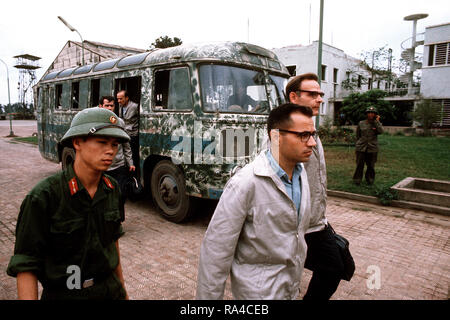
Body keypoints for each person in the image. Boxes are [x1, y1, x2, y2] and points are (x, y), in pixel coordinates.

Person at [6, 107, 129, 300]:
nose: (110, 151)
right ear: (77, 142)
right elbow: (26, 265)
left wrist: (123, 292)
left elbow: (113, 245)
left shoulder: (111, 188)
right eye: (102, 142)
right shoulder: (44, 196)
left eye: (115, 144)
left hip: (108, 292)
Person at [196, 103, 316, 300]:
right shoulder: (246, 183)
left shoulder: (301, 175)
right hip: (258, 294)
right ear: (276, 136)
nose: (311, 142)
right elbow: (215, 252)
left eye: (313, 134)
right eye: (303, 135)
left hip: (290, 289)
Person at [286, 72, 344, 300]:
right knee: (333, 267)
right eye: (312, 94)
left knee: (337, 265)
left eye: (320, 94)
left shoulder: (311, 130)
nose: (320, 98)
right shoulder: (282, 133)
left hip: (316, 221)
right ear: (293, 97)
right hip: (298, 224)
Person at [99, 96, 136, 206]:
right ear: (101, 106)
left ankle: (118, 219)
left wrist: (130, 163)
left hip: (118, 165)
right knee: (102, 195)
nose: (110, 108)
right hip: (101, 166)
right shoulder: (95, 123)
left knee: (120, 194)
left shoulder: (120, 122)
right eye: (107, 105)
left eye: (112, 105)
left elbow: (126, 144)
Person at [353, 106, 384, 185]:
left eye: (372, 113)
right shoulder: (361, 123)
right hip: (361, 147)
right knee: (359, 164)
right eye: (369, 113)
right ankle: (357, 180)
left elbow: (381, 131)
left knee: (371, 165)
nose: (370, 114)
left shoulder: (377, 124)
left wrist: (377, 121)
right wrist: (357, 144)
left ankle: (370, 180)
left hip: (372, 148)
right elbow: (358, 135)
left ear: (375, 115)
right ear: (366, 114)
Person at [117, 90, 139, 178]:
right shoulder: (120, 106)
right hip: (124, 134)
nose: (118, 101)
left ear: (127, 98)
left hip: (132, 135)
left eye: (121, 99)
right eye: (117, 99)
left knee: (132, 156)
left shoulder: (135, 106)